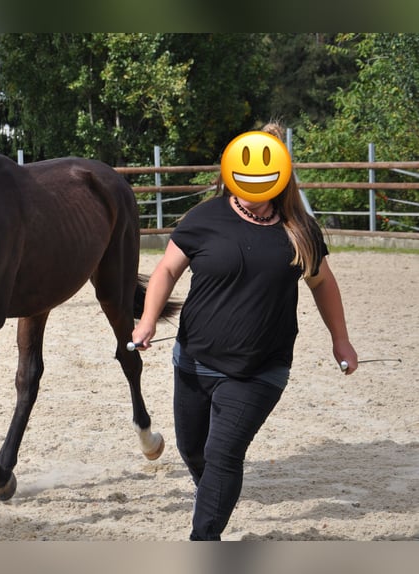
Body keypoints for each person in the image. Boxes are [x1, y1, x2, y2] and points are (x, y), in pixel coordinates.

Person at [131, 122, 358, 541]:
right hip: (194, 361)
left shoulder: (299, 229)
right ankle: (216, 496)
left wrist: (339, 338)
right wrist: (147, 320)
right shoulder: (203, 218)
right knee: (193, 451)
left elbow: (322, 282)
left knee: (222, 455)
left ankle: (204, 541)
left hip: (260, 370)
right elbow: (166, 269)